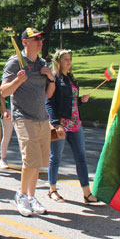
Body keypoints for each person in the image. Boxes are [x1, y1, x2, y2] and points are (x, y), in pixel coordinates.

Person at [1, 27, 56, 217]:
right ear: (25, 42)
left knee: (39, 162)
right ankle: (21, 195)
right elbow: (4, 91)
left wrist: (51, 78)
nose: (40, 41)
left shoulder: (42, 63)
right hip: (23, 117)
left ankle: (32, 197)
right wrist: (17, 81)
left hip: (41, 117)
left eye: (41, 38)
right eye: (35, 39)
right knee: (30, 160)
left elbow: (49, 94)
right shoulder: (15, 62)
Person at [45, 49, 98, 203]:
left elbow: (70, 101)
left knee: (81, 157)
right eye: (65, 59)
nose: (69, 62)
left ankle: (87, 193)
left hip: (75, 123)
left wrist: (81, 100)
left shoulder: (71, 78)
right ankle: (52, 190)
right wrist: (56, 124)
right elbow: (49, 102)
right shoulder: (54, 78)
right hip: (61, 123)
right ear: (58, 62)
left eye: (70, 58)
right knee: (55, 158)